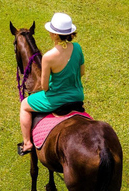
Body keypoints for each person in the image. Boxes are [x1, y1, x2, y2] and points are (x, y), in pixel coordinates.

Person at [18, 13, 85, 155]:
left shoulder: (48, 57)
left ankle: (27, 143)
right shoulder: (77, 48)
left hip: (56, 99)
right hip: (77, 96)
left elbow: (45, 87)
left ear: (55, 34)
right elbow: (81, 72)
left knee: (24, 105)